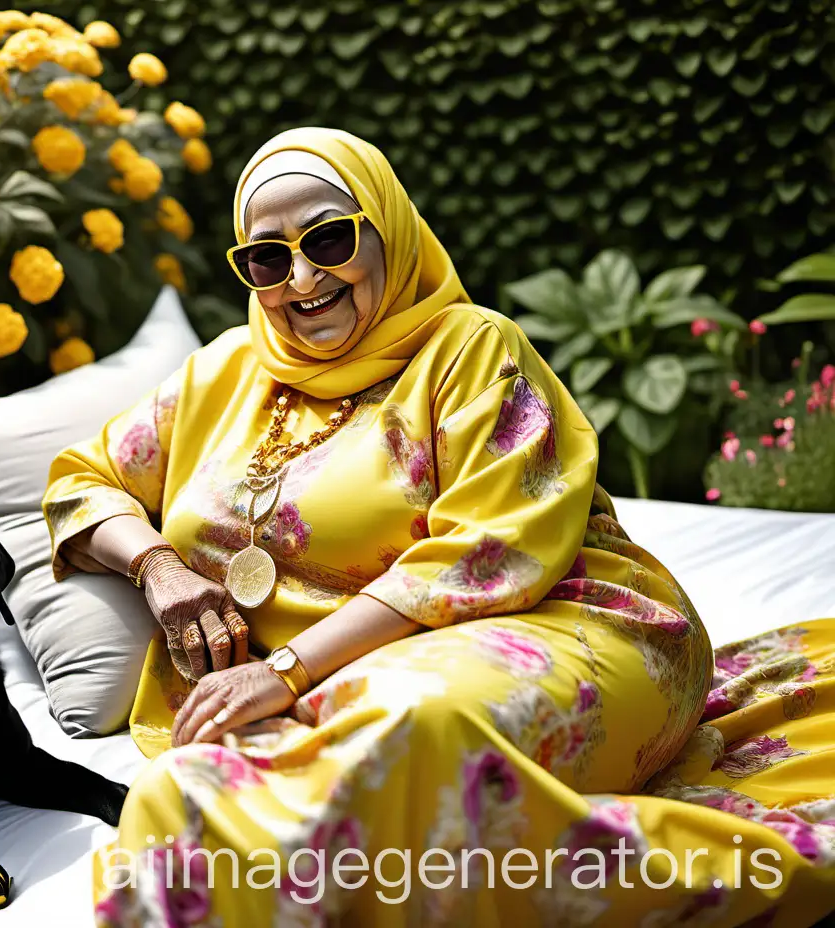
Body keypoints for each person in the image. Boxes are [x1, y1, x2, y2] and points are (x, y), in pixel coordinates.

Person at [43, 128, 835, 926]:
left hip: (558, 616)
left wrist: (281, 670)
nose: (303, 279)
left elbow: (483, 552)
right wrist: (160, 569)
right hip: (332, 679)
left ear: (387, 227)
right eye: (268, 258)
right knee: (233, 786)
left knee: (411, 724)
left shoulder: (471, 347)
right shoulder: (220, 372)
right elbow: (82, 479)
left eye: (328, 238)